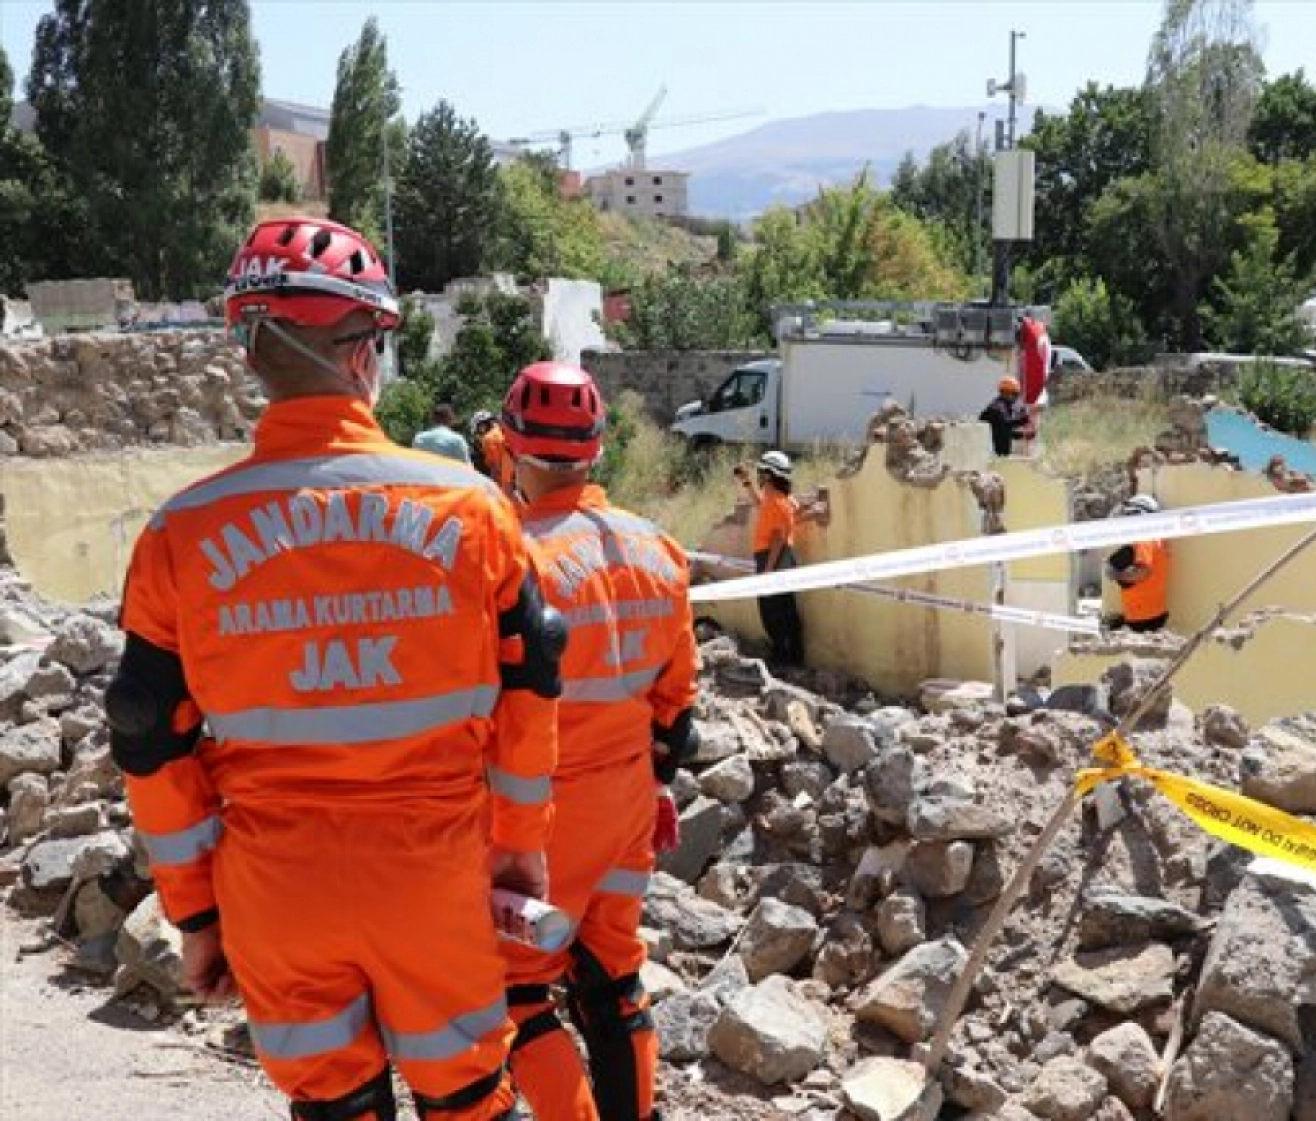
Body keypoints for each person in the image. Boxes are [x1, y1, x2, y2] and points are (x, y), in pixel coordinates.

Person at [108, 217, 563, 1120]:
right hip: (434, 879)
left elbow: (151, 741)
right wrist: (519, 850)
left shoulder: (180, 532)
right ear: (365, 353)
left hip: (275, 892)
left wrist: (197, 917)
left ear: (250, 350)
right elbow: (529, 691)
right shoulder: (471, 508)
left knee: (335, 1106)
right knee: (471, 1094)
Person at [497, 361, 699, 1121]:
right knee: (613, 970)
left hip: (544, 818)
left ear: (512, 450)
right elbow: (677, 709)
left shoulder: (514, 557)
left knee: (517, 991)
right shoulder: (659, 549)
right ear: (596, 449)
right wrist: (657, 785)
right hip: (627, 807)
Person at [736, 449, 809, 666]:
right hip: (778, 558)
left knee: (774, 612)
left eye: (761, 473)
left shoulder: (777, 502)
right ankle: (791, 656)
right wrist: (747, 483)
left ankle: (784, 657)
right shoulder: (777, 499)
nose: (759, 477)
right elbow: (760, 505)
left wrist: (768, 570)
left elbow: (778, 538)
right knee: (784, 609)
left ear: (769, 475)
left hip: (773, 558)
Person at [1103, 495, 1171, 633]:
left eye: (1130, 514)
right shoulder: (1155, 538)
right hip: (1150, 611)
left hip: (1143, 616)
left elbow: (1142, 572)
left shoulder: (1144, 539)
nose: (1127, 518)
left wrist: (1117, 575)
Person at [473, 409, 519, 500]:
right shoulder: (505, 429)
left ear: (482, 426)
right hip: (522, 476)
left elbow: (495, 468)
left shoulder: (488, 439)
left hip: (508, 481)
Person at [979, 377, 1030, 458]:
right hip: (992, 453)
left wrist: (1022, 434)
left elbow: (1004, 429)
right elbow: (1005, 427)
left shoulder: (1002, 405)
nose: (1015, 397)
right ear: (1007, 393)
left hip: (998, 452)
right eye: (1015, 394)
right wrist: (1022, 422)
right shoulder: (997, 408)